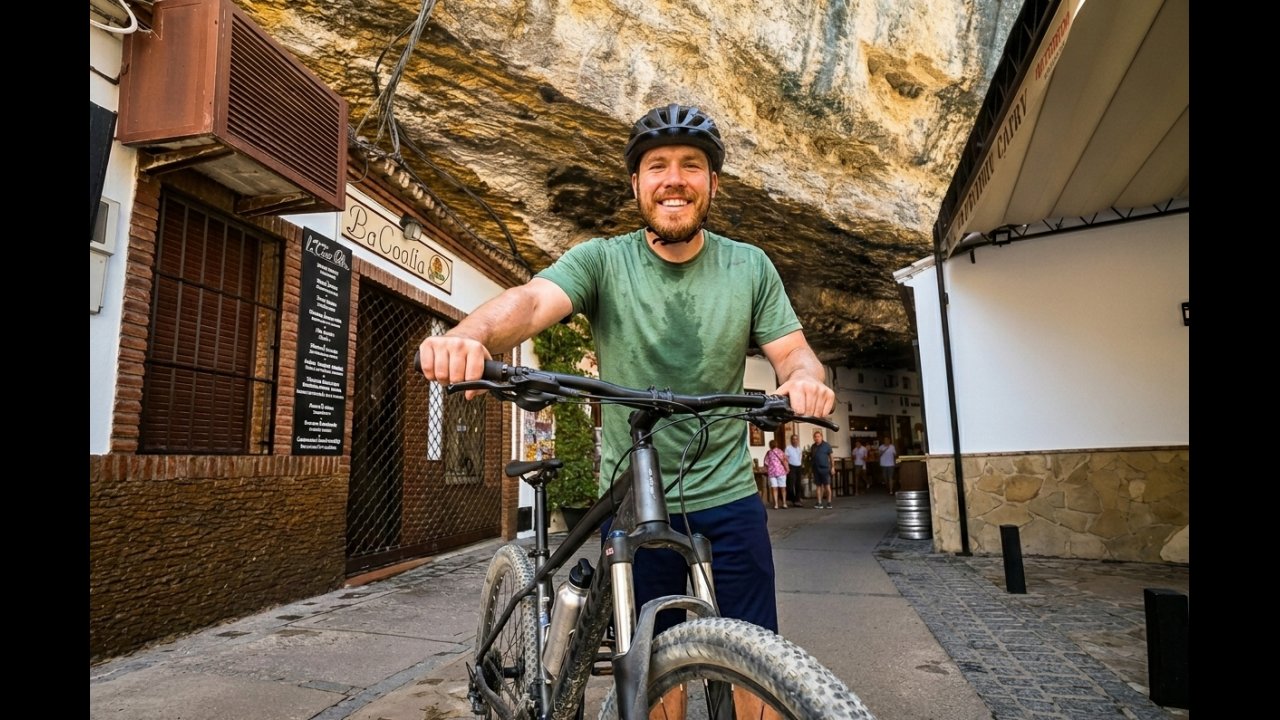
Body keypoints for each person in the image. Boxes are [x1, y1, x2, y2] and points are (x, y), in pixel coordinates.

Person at [416, 104, 833, 650]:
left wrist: (803, 380)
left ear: (713, 183)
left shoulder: (749, 266)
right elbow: (531, 301)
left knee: (759, 653)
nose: (674, 180)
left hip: (729, 496)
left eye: (691, 165)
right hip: (639, 497)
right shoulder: (603, 261)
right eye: (657, 166)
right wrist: (469, 336)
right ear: (637, 183)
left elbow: (795, 353)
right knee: (651, 658)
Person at [809, 430, 833, 508]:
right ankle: (819, 503)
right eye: (815, 437)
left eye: (818, 436)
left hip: (825, 468)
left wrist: (833, 467)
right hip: (816, 469)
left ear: (821, 437)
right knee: (818, 486)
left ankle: (829, 502)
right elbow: (812, 457)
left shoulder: (826, 445)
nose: (817, 438)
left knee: (827, 486)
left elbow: (831, 457)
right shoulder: (813, 446)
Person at [764, 440, 788, 509]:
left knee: (774, 488)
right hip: (781, 472)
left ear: (770, 445)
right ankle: (784, 503)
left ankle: (776, 504)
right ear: (776, 444)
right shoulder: (780, 451)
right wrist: (786, 468)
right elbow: (785, 459)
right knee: (783, 488)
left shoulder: (769, 453)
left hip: (772, 472)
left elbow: (766, 463)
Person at [784, 433, 806, 507]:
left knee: (798, 484)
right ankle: (793, 499)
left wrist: (801, 465)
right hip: (791, 466)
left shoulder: (799, 449)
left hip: (798, 467)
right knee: (790, 484)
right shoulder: (788, 448)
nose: (795, 441)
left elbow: (800, 458)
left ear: (798, 440)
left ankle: (797, 500)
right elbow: (785, 459)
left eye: (796, 439)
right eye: (793, 439)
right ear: (791, 440)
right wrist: (787, 467)